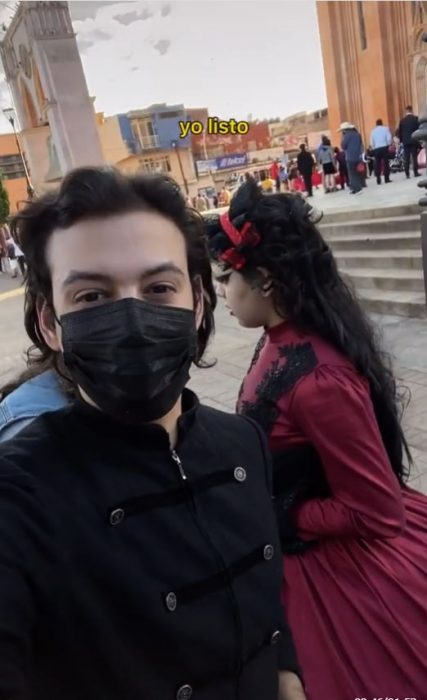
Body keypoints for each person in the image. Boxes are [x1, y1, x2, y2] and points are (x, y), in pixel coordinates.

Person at [0, 167, 306, 700]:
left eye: (159, 288)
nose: (134, 318)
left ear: (199, 306)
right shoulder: (19, 494)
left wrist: (287, 679)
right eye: (92, 297)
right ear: (51, 325)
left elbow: (266, 607)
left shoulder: (243, 443)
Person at [205, 180, 427, 700]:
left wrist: (288, 514)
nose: (222, 291)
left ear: (263, 281)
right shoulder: (277, 340)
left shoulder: (320, 381)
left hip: (332, 569)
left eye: (227, 276)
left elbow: (378, 512)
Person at [339, 122, 363, 194]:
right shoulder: (358, 134)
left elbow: (343, 146)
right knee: (357, 172)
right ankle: (355, 187)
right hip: (358, 156)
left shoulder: (346, 136)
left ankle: (356, 188)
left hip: (350, 157)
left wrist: (342, 138)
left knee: (352, 173)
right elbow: (361, 144)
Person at [398, 105, 420, 179]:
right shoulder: (415, 119)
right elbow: (418, 129)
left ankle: (407, 173)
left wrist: (401, 140)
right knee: (414, 157)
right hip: (414, 140)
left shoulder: (402, 120)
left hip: (405, 141)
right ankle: (415, 172)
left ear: (406, 111)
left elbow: (400, 132)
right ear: (411, 110)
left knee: (406, 158)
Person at [370, 118, 392, 185]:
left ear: (376, 124)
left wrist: (373, 146)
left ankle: (378, 179)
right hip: (384, 147)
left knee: (377, 164)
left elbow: (371, 141)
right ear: (382, 123)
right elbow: (389, 138)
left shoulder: (373, 131)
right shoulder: (385, 129)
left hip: (376, 148)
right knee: (386, 163)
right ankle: (386, 179)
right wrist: (388, 144)